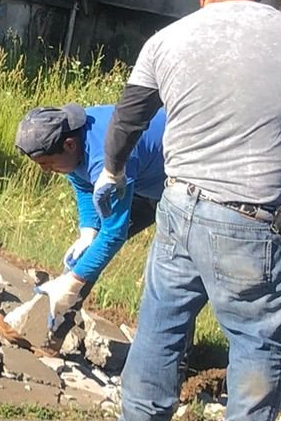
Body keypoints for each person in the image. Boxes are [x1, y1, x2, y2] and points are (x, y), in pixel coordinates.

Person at [95, 0, 281, 421]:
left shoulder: (167, 40)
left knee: (162, 321)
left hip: (179, 206)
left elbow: (127, 120)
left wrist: (111, 172)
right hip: (249, 218)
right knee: (260, 335)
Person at [12, 100, 167, 330]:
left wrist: (73, 282)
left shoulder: (106, 154)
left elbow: (114, 233)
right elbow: (83, 183)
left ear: (69, 145)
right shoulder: (72, 137)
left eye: (47, 163)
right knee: (84, 254)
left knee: (171, 277)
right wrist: (88, 232)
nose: (45, 170)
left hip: (188, 181)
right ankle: (45, 331)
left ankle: (177, 361)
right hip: (137, 176)